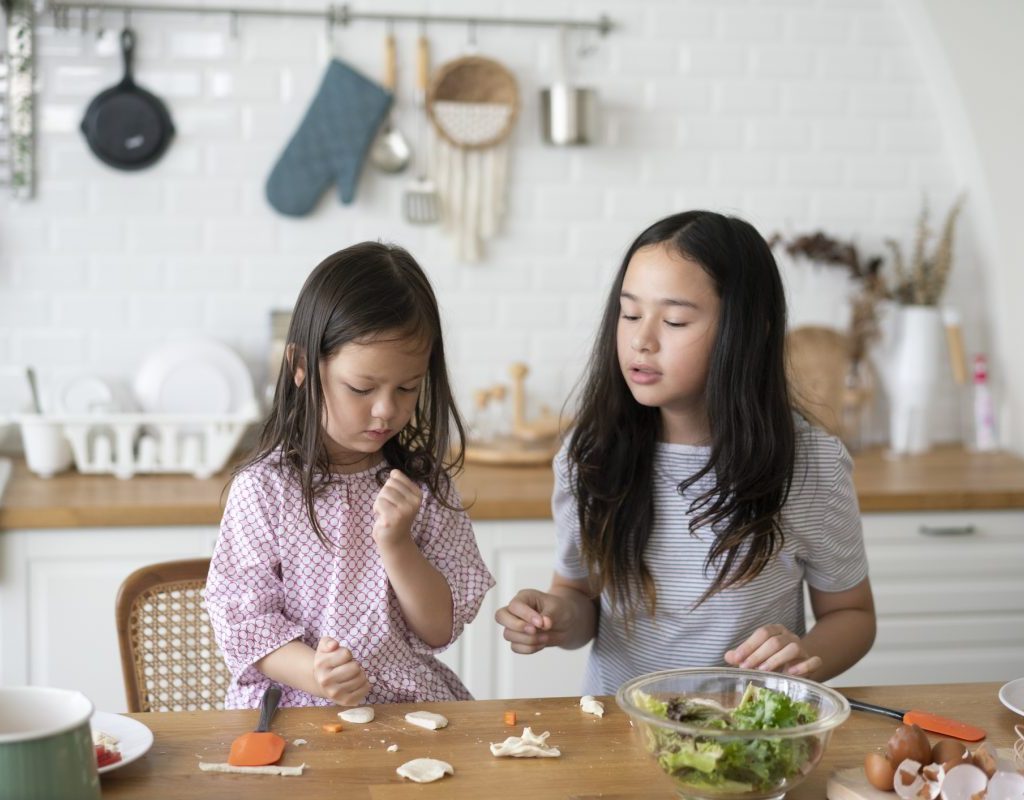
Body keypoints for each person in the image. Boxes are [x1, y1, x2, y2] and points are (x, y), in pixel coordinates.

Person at [495, 211, 876, 694]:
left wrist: (804, 655)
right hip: (618, 731)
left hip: (747, 740)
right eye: (630, 314)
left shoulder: (810, 465)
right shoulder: (590, 454)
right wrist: (552, 619)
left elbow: (852, 614)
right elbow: (578, 596)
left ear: (749, 329)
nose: (641, 339)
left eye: (674, 320)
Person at [206, 242, 494, 708]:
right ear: (301, 367)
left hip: (406, 706)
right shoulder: (265, 490)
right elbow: (244, 619)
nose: (386, 410)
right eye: (361, 388)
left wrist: (397, 544)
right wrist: (315, 673)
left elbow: (439, 626)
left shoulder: (424, 488)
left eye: (407, 388)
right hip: (295, 707)